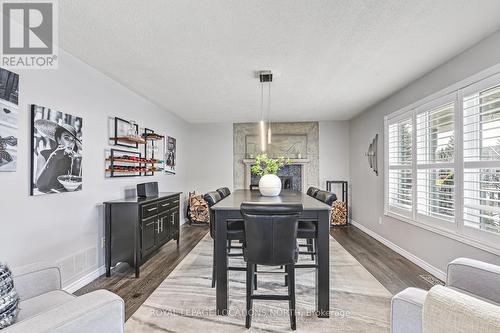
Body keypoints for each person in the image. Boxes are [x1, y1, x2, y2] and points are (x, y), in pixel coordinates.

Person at [35, 120, 82, 193]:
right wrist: (53, 157)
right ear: (58, 139)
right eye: (66, 138)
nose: (70, 143)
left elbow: (77, 183)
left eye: (73, 140)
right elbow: (39, 185)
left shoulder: (72, 159)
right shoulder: (43, 155)